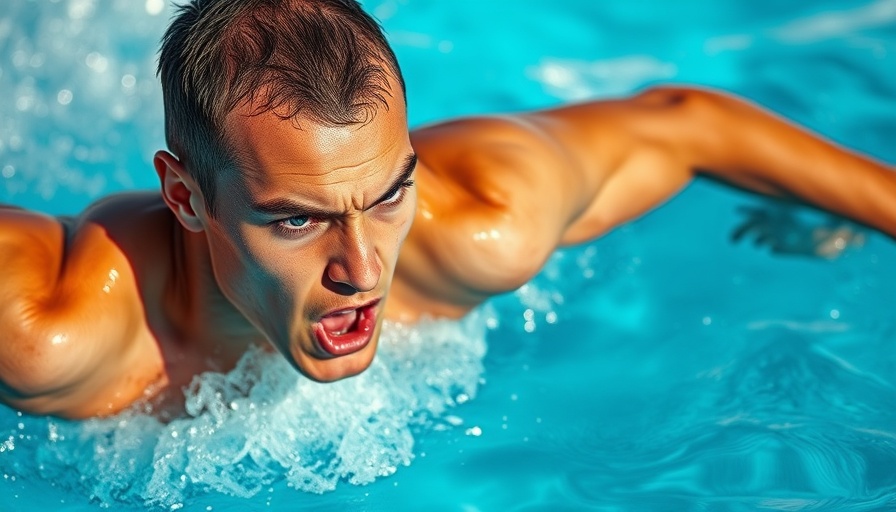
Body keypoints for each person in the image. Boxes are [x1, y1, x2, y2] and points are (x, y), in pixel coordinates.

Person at [0, 0, 893, 419]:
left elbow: (687, 125)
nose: (365, 268)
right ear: (185, 197)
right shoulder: (55, 329)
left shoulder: (474, 227)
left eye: (389, 193)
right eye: (298, 220)